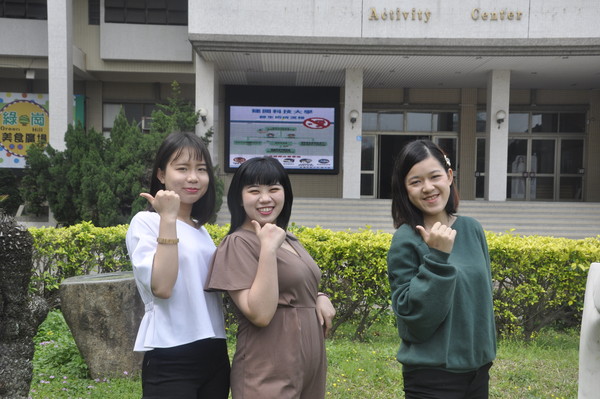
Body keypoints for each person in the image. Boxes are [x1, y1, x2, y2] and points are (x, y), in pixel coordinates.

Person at [205, 156, 335, 399]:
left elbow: (297, 283)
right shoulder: (239, 243)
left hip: (308, 366)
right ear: (239, 199)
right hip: (268, 367)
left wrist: (318, 296)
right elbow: (260, 314)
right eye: (254, 190)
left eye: (274, 189)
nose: (265, 198)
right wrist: (267, 248)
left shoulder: (287, 238)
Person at [387, 139, 496, 399]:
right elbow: (414, 320)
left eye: (434, 176)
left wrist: (485, 354)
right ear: (405, 189)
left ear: (449, 176)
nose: (428, 188)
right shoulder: (406, 238)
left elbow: (483, 300)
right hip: (432, 376)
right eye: (415, 181)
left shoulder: (472, 229)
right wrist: (437, 256)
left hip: (478, 371)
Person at [126, 131, 230, 398]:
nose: (193, 177)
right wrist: (168, 218)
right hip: (171, 354)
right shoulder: (145, 222)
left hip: (215, 352)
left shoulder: (202, 231)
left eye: (201, 169)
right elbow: (161, 286)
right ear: (161, 174)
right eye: (182, 168)